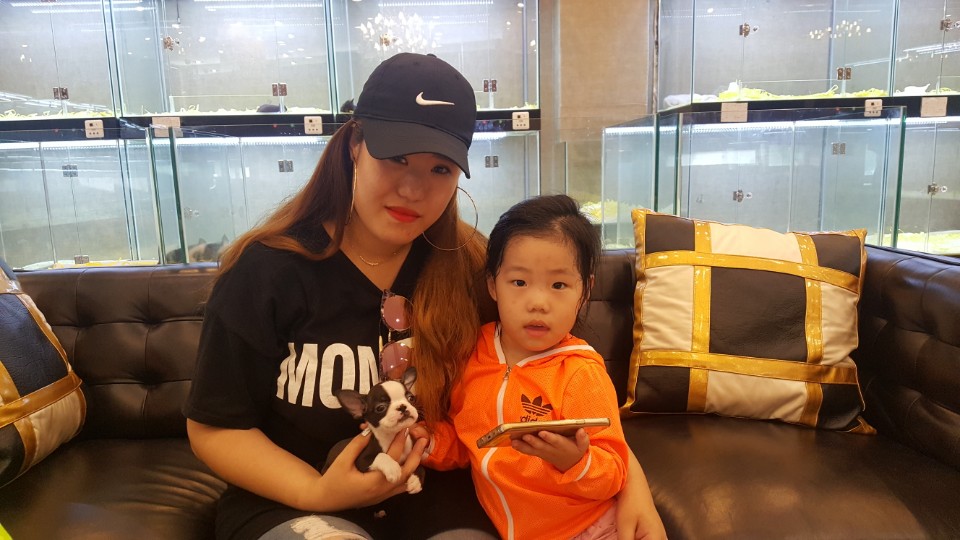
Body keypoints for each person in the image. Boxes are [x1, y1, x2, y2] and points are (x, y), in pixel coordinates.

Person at [183, 51, 665, 540]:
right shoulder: (268, 269)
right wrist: (317, 492)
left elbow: (562, 380)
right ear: (354, 144)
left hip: (432, 498)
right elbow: (215, 426)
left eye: (440, 169)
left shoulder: (474, 269)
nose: (414, 189)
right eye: (396, 158)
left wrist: (632, 486)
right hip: (291, 499)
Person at [418, 194, 630, 539]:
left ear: (585, 291)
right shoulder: (472, 353)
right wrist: (428, 442)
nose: (538, 303)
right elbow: (469, 440)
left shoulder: (581, 373)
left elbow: (614, 473)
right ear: (493, 285)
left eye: (559, 285)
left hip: (591, 529)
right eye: (519, 282)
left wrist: (576, 461)